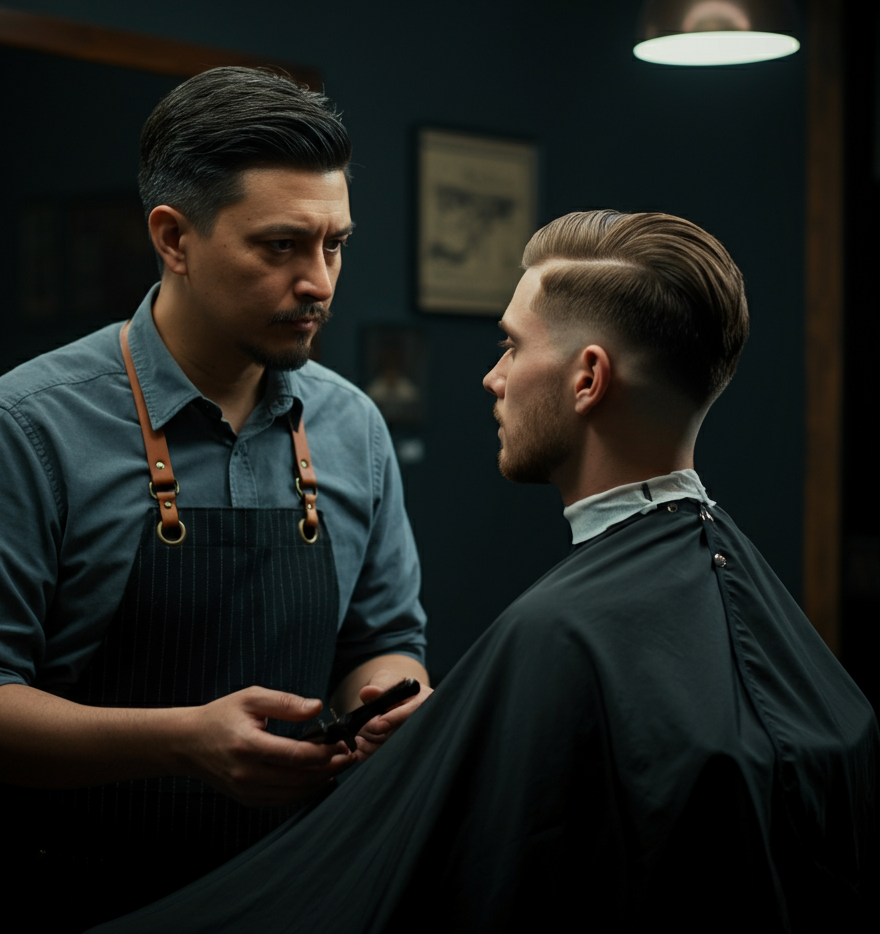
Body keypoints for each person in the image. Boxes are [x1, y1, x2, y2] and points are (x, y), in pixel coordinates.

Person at [88, 210, 878, 934]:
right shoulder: (756, 601)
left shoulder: (560, 635)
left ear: (587, 378)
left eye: (511, 345)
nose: (492, 377)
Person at [0, 67, 430, 932]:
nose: (320, 282)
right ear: (174, 238)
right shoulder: (26, 426)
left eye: (334, 244)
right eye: (281, 246)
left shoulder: (352, 426)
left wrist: (394, 705)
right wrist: (183, 741)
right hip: (77, 899)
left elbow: (385, 640)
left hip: (299, 891)